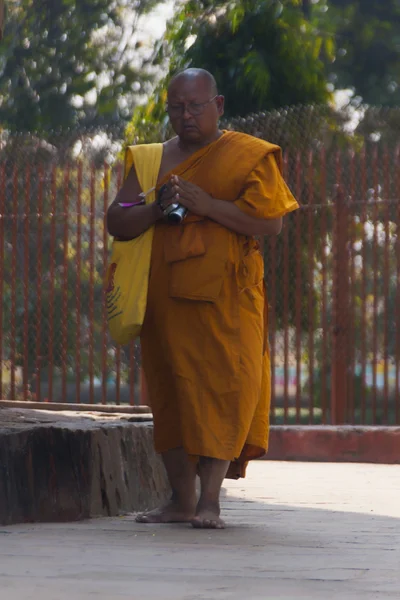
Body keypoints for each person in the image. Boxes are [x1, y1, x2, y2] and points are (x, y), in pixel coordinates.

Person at [107, 68, 299, 529]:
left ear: (219, 105)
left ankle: (210, 502)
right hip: (166, 299)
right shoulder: (151, 159)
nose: (186, 115)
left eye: (195, 106)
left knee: (223, 392)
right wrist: (157, 207)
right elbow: (118, 220)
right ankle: (180, 500)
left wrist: (206, 204)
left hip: (229, 300)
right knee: (172, 396)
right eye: (176, 107)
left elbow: (269, 223)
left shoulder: (249, 155)